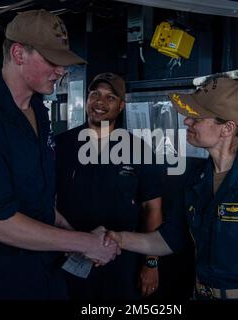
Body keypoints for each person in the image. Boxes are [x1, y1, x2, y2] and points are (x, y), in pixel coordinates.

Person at [0, 10, 118, 300]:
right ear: (18, 53)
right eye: (53, 61)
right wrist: (83, 242)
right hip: (1, 276)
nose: (61, 70)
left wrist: (74, 238)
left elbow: (35, 198)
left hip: (46, 270)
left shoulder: (39, 109)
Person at [106, 76, 238, 300]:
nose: (187, 121)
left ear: (227, 128)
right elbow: (167, 239)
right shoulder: (197, 178)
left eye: (196, 117)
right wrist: (119, 238)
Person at [55, 72, 163, 300]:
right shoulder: (61, 146)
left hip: (122, 263)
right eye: (95, 94)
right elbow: (44, 200)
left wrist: (151, 264)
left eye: (110, 97)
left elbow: (152, 209)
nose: (100, 102)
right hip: (69, 257)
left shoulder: (139, 149)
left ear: (122, 105)